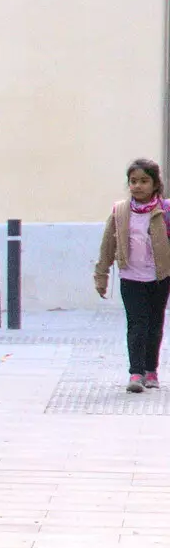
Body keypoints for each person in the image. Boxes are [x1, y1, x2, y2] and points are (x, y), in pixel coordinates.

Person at [94, 158, 170, 392]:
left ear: (155, 184)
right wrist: (102, 274)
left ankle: (151, 370)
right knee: (136, 323)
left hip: (159, 277)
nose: (138, 186)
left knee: (154, 323)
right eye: (133, 181)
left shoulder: (165, 211)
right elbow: (108, 243)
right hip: (131, 277)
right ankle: (135, 373)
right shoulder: (121, 211)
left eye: (144, 181)